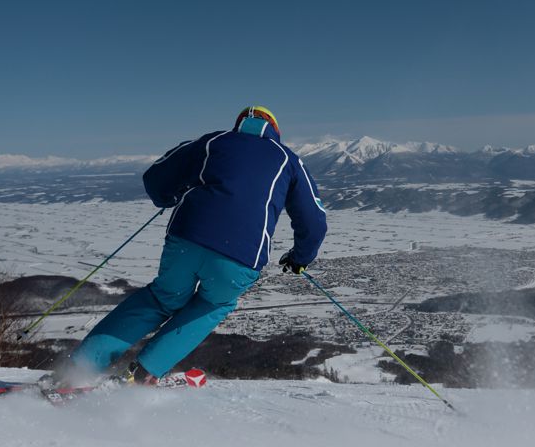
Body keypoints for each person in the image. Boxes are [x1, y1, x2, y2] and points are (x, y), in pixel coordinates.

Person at [50, 106, 327, 386]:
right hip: (241, 256)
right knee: (213, 304)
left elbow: (156, 176)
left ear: (239, 124)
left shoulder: (213, 141)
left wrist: (167, 196)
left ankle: (77, 370)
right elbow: (314, 220)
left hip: (187, 238)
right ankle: (143, 374)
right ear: (275, 130)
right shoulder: (288, 160)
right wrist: (299, 257)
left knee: (161, 298)